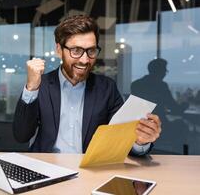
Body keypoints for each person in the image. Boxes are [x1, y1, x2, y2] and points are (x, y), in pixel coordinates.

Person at [13, 15, 161, 155]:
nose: (84, 60)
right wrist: (31, 88)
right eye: (76, 50)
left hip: (90, 171)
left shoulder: (106, 88)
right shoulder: (41, 85)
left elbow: (121, 139)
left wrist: (140, 142)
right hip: (47, 169)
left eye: (91, 51)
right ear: (59, 50)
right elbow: (21, 136)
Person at [131, 58, 188, 154]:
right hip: (159, 125)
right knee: (181, 125)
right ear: (159, 71)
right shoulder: (161, 85)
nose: (166, 72)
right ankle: (180, 154)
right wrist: (185, 103)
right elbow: (175, 109)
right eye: (165, 70)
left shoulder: (136, 84)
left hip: (137, 125)